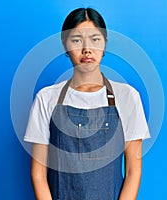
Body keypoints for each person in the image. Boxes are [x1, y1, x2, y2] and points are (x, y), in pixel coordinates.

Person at [24, 8, 150, 200]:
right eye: (76, 40)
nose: (86, 49)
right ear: (65, 45)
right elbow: (38, 174)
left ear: (105, 44)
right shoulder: (46, 98)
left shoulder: (128, 97)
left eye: (95, 39)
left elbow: (133, 171)